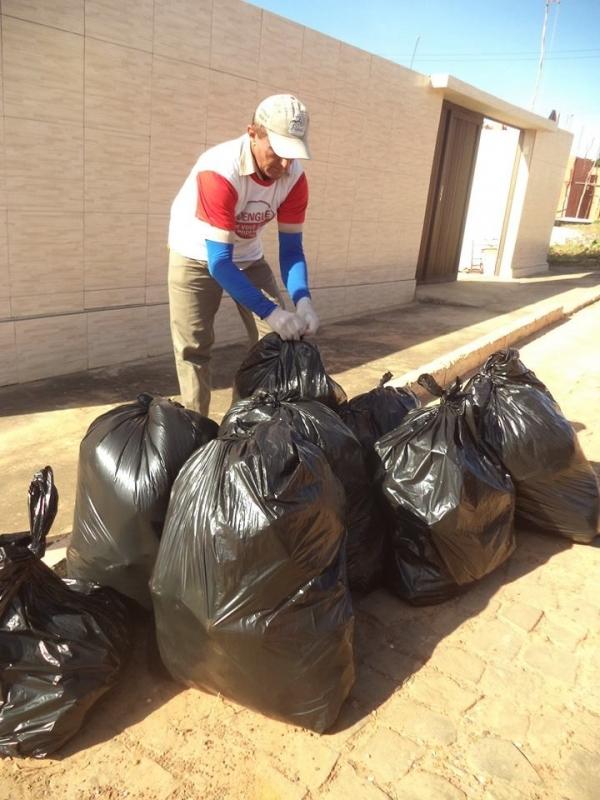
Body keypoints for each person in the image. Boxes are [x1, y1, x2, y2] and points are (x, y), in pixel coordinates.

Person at [167, 93, 320, 416]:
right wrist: (272, 311)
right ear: (253, 132)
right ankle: (197, 428)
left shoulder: (294, 179)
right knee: (194, 348)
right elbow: (219, 263)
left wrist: (303, 300)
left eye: (293, 155)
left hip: (247, 255)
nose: (285, 164)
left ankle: (247, 422)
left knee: (276, 341)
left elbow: (291, 250)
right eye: (277, 152)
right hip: (195, 254)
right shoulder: (220, 170)